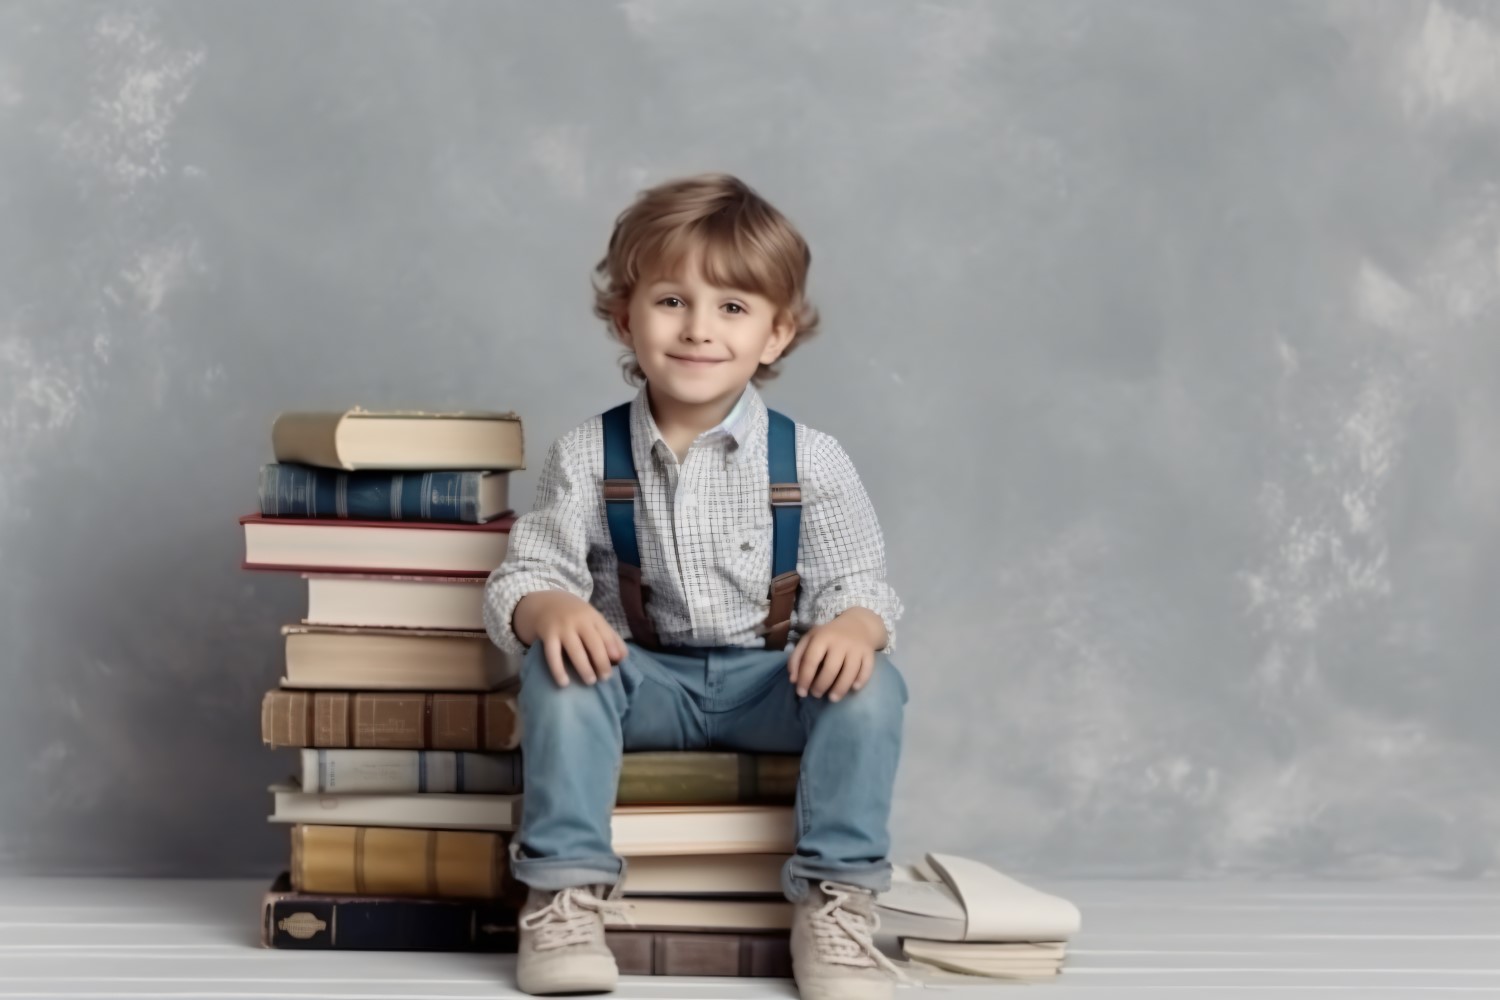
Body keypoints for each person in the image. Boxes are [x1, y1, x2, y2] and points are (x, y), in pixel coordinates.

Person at [484, 172, 910, 999]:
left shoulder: (812, 460)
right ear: (625, 317)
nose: (699, 331)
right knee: (560, 672)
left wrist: (854, 627)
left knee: (872, 688)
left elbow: (862, 582)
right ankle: (565, 893)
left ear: (777, 335)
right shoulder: (584, 455)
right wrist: (551, 606)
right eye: (672, 302)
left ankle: (835, 902)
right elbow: (528, 570)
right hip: (643, 682)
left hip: (769, 683)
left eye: (733, 309)